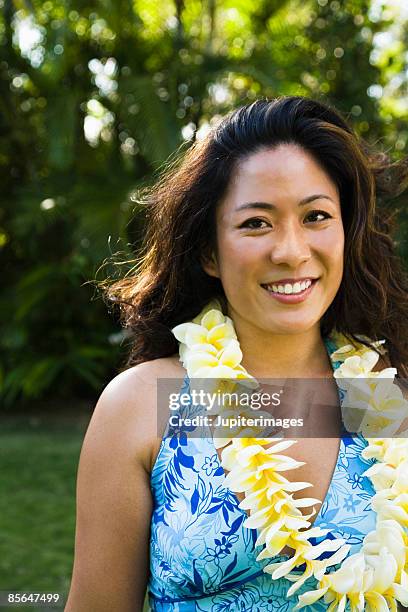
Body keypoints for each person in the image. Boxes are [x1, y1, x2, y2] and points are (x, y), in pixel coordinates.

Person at [65, 96, 408, 611]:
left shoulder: (383, 396)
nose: (291, 251)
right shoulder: (144, 405)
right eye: (256, 223)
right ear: (208, 251)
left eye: (316, 216)